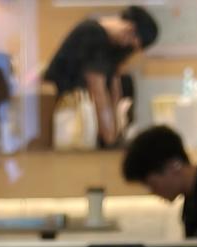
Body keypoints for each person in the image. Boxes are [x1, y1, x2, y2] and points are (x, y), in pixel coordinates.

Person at [44, 7, 159, 147]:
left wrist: (116, 131)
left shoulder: (114, 45)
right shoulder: (93, 34)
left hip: (82, 114)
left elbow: (114, 87)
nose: (129, 47)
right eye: (132, 42)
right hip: (66, 111)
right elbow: (97, 89)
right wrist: (109, 140)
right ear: (130, 29)